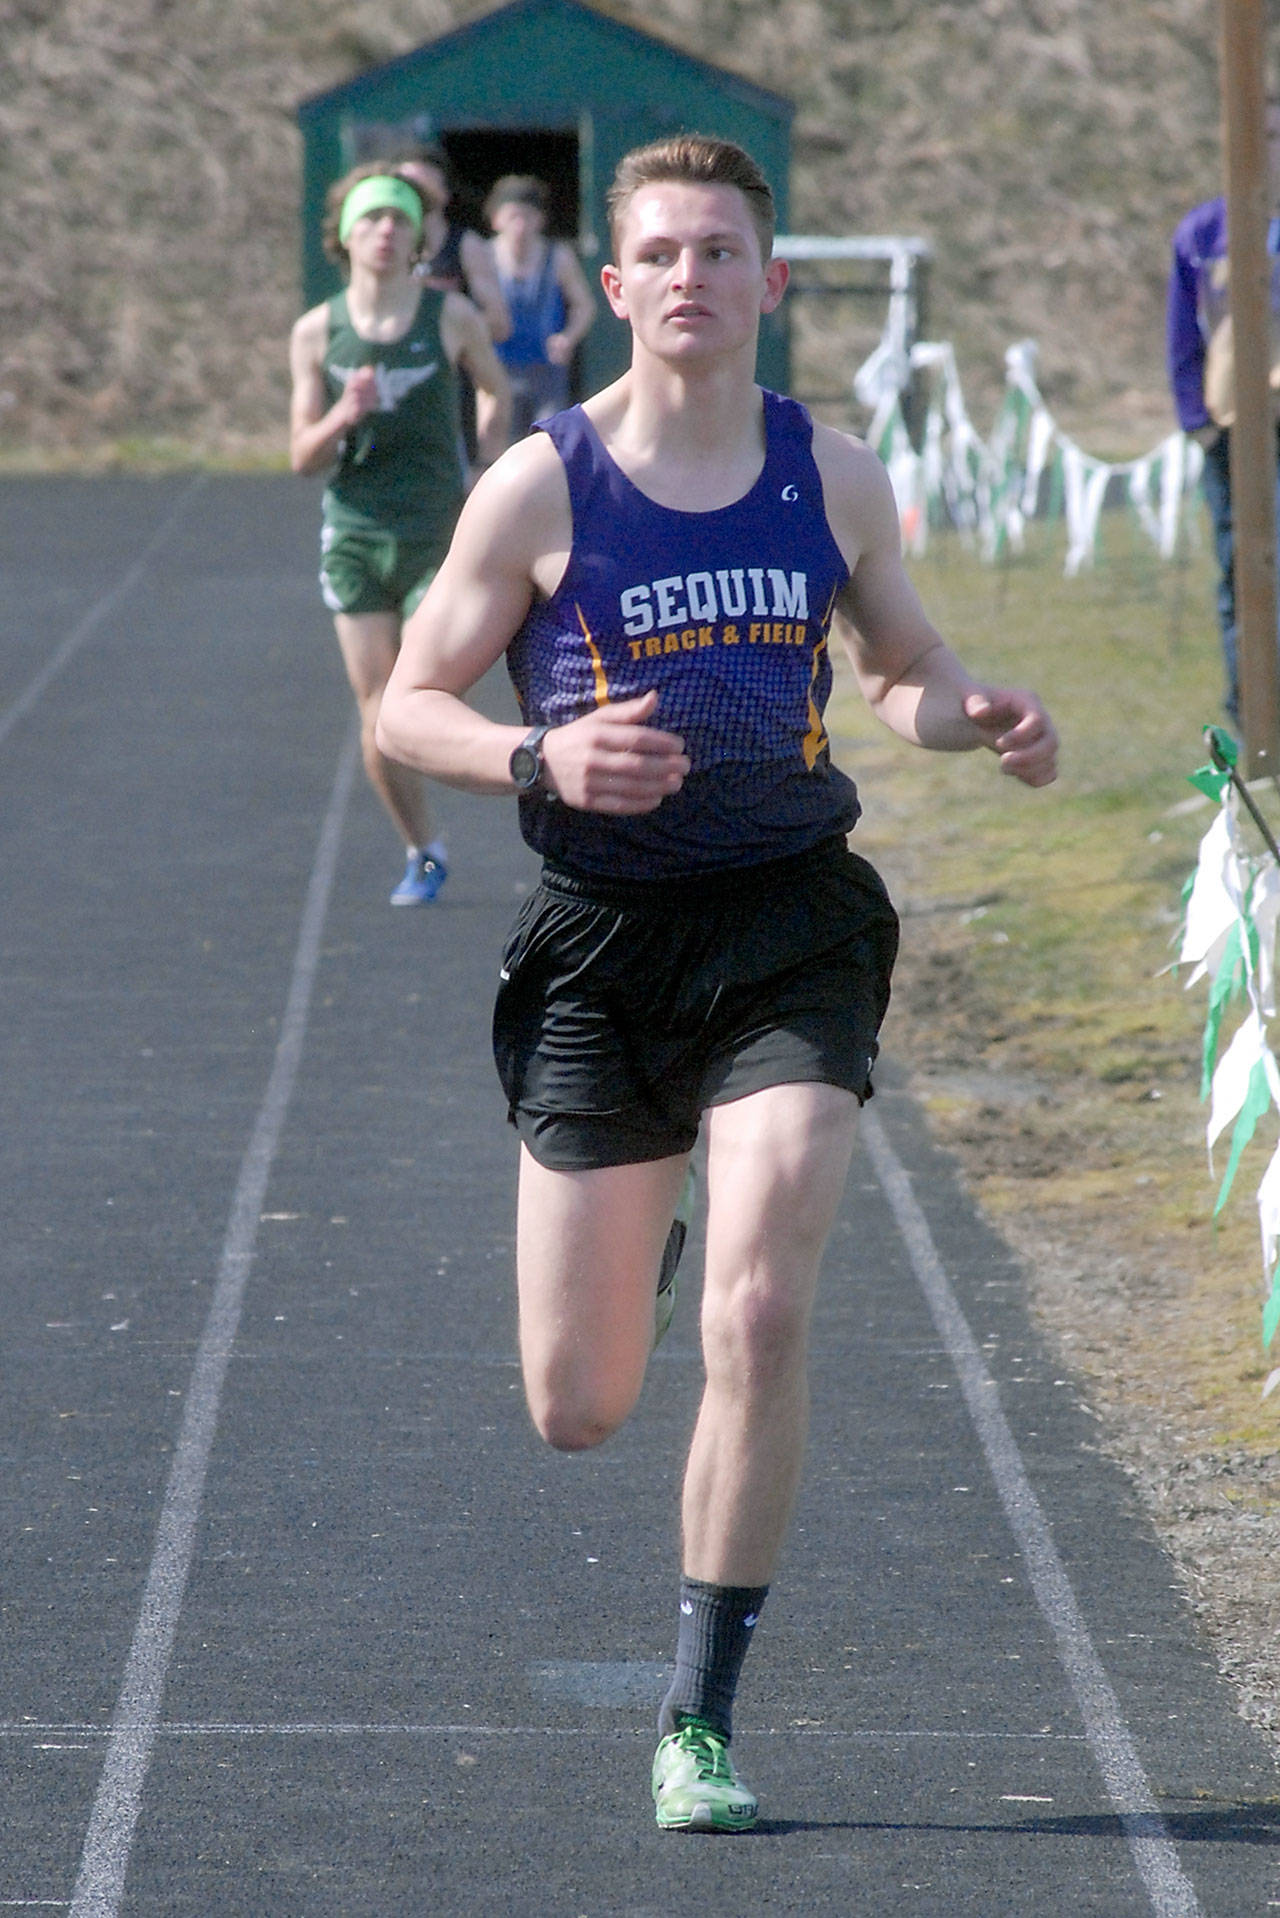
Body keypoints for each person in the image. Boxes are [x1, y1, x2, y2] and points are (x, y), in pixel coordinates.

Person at [377, 134, 1057, 1830]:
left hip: (789, 923)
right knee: (579, 1403)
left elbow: (901, 664)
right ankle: (652, 1222)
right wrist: (538, 754)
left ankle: (699, 1717)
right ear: (617, 285)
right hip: (605, 945)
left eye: (723, 250)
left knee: (761, 1312)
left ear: (770, 279)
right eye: (664, 252)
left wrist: (973, 713)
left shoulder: (829, 473)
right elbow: (405, 704)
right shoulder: (540, 486)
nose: (693, 276)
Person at [289, 163, 511, 906]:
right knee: (379, 717)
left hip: (436, 533)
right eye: (371, 218)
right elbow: (301, 458)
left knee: (423, 692)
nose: (385, 231)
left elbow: (495, 388)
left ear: (417, 238)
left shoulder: (449, 316)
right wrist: (342, 414)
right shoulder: (316, 332)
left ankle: (527, 777)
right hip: (355, 536)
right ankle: (423, 849)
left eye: (399, 220)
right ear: (344, 236)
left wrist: (488, 465)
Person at [1166, 98, 1280, 727]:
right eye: (1261, 134)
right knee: (1242, 575)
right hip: (1233, 431)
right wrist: (1201, 425)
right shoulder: (1205, 234)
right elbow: (1183, 337)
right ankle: (1252, 720)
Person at [484, 175, 597, 441]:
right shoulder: (483, 256)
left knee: (549, 440)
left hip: (546, 368)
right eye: (513, 216)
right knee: (498, 441)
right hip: (498, 368)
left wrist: (568, 337)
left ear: (540, 220)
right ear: (496, 220)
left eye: (528, 216)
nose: (520, 226)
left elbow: (584, 306)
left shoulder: (558, 256)